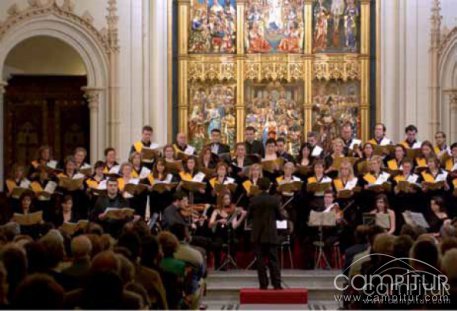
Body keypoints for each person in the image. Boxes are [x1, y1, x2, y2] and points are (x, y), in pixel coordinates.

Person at [247, 177, 282, 289]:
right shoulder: (274, 200)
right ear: (269, 187)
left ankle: (263, 284)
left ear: (258, 187)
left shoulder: (253, 200)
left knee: (260, 261)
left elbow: (249, 217)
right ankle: (276, 284)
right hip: (271, 234)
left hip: (257, 234)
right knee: (274, 261)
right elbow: (280, 217)